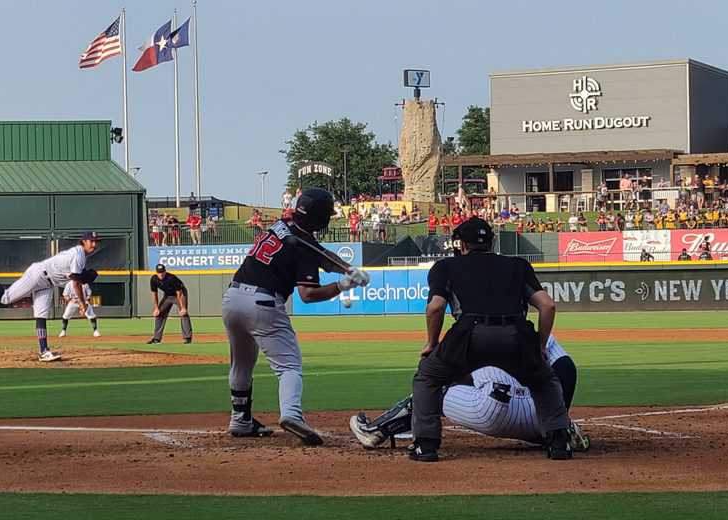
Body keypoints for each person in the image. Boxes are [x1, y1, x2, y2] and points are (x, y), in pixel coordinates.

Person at [408, 218, 573, 462]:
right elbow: (547, 305)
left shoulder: (445, 267)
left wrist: (432, 343)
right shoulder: (518, 265)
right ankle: (559, 443)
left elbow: (435, 307)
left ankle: (426, 445)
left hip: (469, 336)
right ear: (492, 242)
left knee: (428, 377)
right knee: (544, 381)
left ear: (462, 244)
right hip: (516, 335)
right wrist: (539, 346)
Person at [222, 188, 370, 443]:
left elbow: (321, 254)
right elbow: (308, 295)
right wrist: (343, 285)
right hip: (263, 304)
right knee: (289, 366)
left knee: (241, 363)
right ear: (320, 219)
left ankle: (240, 420)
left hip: (232, 299)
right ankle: (291, 414)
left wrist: (348, 269)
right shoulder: (302, 247)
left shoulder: (284, 225)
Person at [350, 334, 590, 452]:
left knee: (433, 390)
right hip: (544, 419)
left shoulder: (469, 331)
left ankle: (376, 431)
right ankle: (562, 432)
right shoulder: (532, 330)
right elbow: (566, 368)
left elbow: (441, 375)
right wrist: (558, 419)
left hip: (492, 410)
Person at [0, 232, 100, 362]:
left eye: (96, 241)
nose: (94, 244)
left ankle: (44, 351)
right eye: (91, 241)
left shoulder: (80, 257)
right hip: (38, 274)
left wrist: (85, 278)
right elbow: (76, 283)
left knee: (41, 315)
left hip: (48, 283)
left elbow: (76, 277)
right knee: (5, 298)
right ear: (84, 241)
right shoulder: (79, 254)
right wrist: (83, 303)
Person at [147, 264, 193, 344]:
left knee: (183, 314)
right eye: (159, 272)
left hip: (180, 294)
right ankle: (156, 338)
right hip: (168, 295)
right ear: (156, 273)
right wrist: (156, 308)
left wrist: (183, 307)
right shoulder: (154, 279)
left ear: (165, 271)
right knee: (159, 313)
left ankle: (187, 338)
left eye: (162, 272)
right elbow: (154, 294)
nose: (161, 274)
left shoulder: (171, 278)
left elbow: (179, 293)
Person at [59, 269, 101, 338]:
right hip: (73, 302)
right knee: (66, 316)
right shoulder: (69, 284)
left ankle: (95, 331)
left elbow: (89, 294)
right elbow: (65, 295)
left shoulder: (85, 284)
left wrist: (86, 302)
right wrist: (70, 300)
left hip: (84, 301)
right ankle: (63, 331)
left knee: (91, 315)